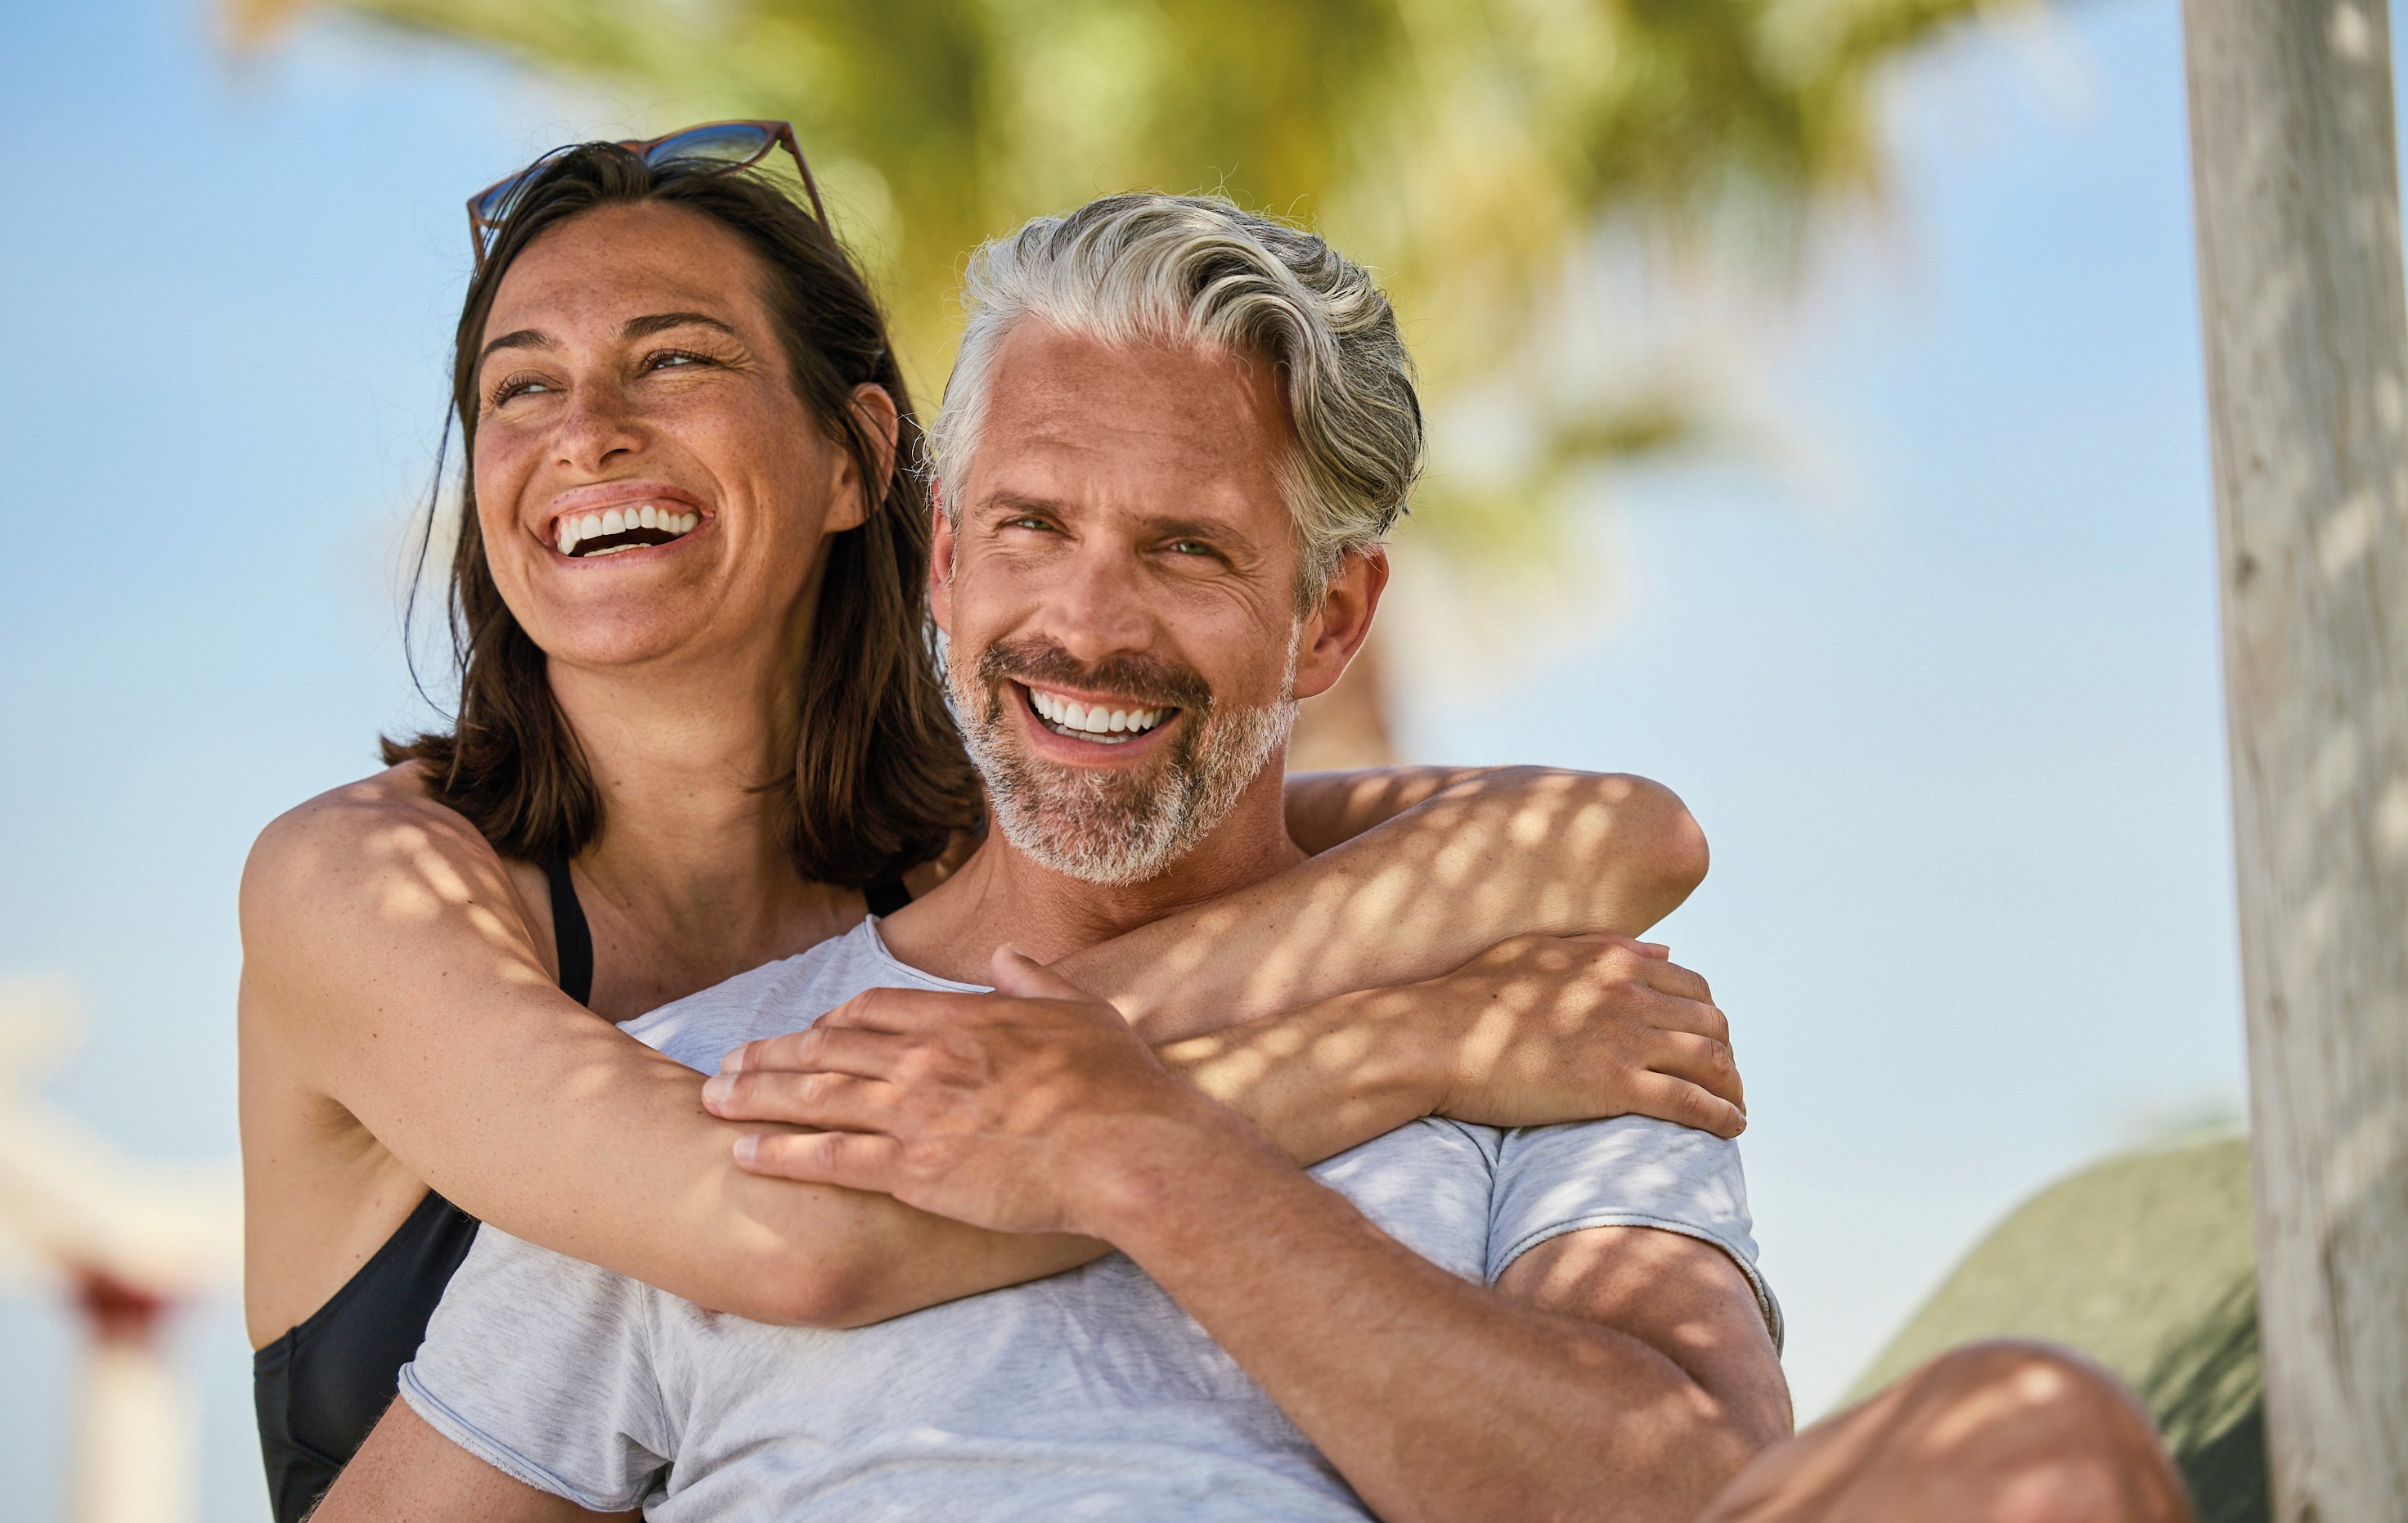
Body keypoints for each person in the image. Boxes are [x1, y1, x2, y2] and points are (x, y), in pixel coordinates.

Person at [325, 191, 2195, 1523]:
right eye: (1036, 528)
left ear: (1327, 619)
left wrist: (1147, 1154)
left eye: (1190, 550)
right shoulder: (719, 1097)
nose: (1087, 623)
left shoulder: (1541, 1035)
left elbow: (1697, 1493)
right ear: (950, 558)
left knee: (2035, 1442)